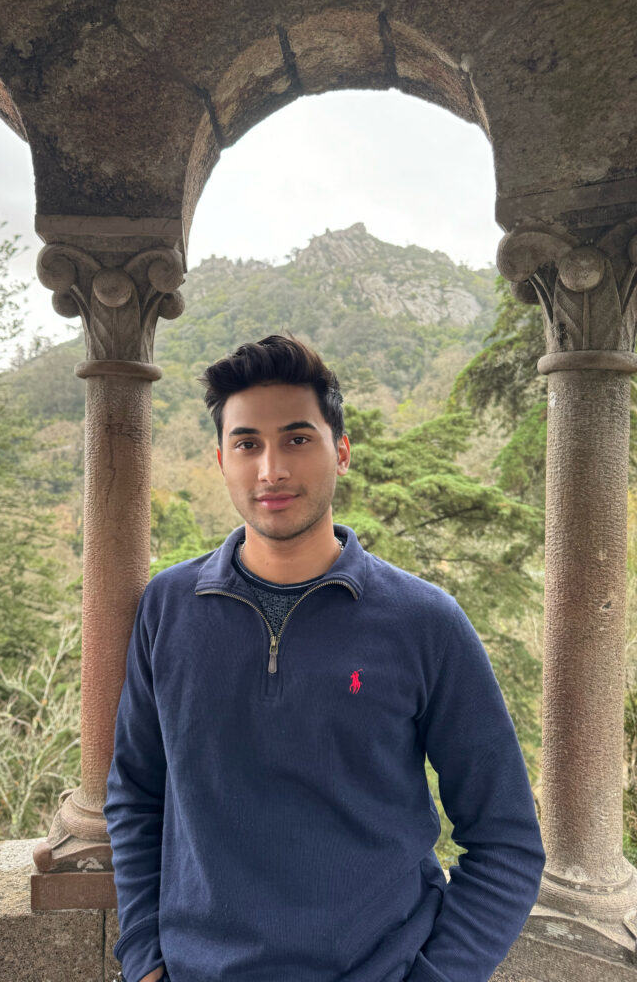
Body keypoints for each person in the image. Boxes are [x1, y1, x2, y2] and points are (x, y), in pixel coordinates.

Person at [104, 335, 545, 982]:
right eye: (247, 444)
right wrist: (145, 957)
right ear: (220, 460)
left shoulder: (424, 622)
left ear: (341, 450)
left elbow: (507, 840)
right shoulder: (170, 608)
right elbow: (136, 793)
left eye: (297, 439)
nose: (271, 469)